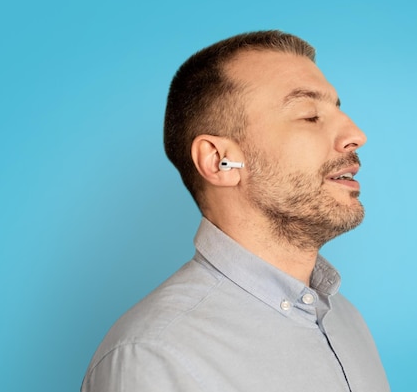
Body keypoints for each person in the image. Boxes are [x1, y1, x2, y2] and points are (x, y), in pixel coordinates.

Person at [81, 30, 390, 392]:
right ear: (219, 161)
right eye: (309, 115)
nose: (356, 134)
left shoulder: (346, 321)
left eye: (338, 109)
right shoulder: (152, 356)